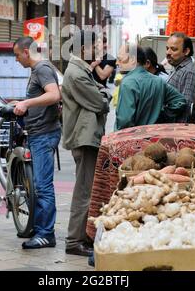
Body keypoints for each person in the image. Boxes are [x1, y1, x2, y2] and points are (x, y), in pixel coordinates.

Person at [62, 30, 111, 257]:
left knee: (86, 188)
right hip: (84, 137)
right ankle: (74, 241)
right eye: (95, 47)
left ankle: (81, 237)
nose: (98, 51)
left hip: (86, 135)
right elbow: (100, 103)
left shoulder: (81, 70)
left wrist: (101, 92)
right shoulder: (77, 73)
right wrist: (104, 95)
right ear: (84, 49)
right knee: (84, 191)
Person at [12, 36, 61, 250]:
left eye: (16, 55)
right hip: (38, 133)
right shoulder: (39, 70)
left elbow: (54, 95)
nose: (16, 60)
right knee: (37, 185)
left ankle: (46, 234)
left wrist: (27, 102)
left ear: (26, 52)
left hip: (43, 134)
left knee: (42, 185)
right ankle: (39, 227)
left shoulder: (41, 68)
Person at [115, 43, 186, 130]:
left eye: (120, 59)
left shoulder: (128, 83)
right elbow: (180, 101)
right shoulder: (159, 81)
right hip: (154, 136)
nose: (117, 62)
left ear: (133, 60)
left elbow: (124, 121)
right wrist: (160, 116)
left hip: (133, 139)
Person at [166, 32, 195, 122]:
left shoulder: (190, 72)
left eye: (173, 49)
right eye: (167, 48)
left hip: (179, 130)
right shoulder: (178, 68)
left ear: (186, 51)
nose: (168, 52)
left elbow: (188, 108)